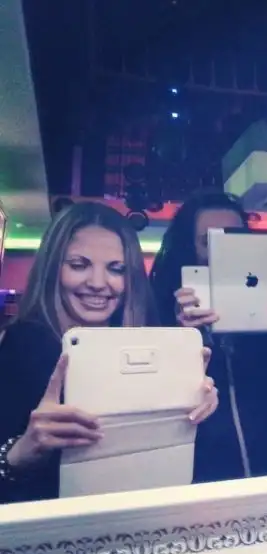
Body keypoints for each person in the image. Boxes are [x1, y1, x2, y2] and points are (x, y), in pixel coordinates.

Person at [0, 202, 218, 504]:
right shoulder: (19, 345)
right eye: (79, 265)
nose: (98, 283)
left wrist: (192, 405)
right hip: (48, 525)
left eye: (116, 269)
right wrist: (22, 450)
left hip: (142, 516)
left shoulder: (147, 344)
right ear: (52, 269)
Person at [149, 191, 267, 482]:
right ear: (188, 249)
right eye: (209, 241)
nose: (222, 249)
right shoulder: (159, 317)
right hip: (205, 483)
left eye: (232, 237)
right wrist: (183, 340)